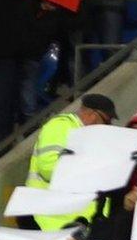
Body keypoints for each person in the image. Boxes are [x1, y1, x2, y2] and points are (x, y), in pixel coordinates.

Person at [24, 93, 116, 231]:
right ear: (93, 115)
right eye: (106, 121)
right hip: (52, 219)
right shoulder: (61, 126)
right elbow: (49, 168)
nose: (108, 126)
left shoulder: (93, 138)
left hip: (78, 221)